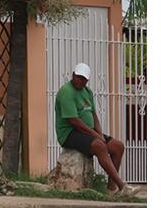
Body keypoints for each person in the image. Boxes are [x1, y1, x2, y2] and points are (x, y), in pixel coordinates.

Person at [55, 62, 132, 194]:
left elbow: (94, 115)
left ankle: (111, 189)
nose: (80, 80)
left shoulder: (87, 92)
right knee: (99, 146)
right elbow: (74, 121)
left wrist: (100, 134)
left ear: (87, 80)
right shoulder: (66, 92)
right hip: (69, 133)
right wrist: (96, 136)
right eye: (78, 77)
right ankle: (122, 186)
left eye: (83, 78)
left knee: (118, 146)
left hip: (87, 132)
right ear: (73, 75)